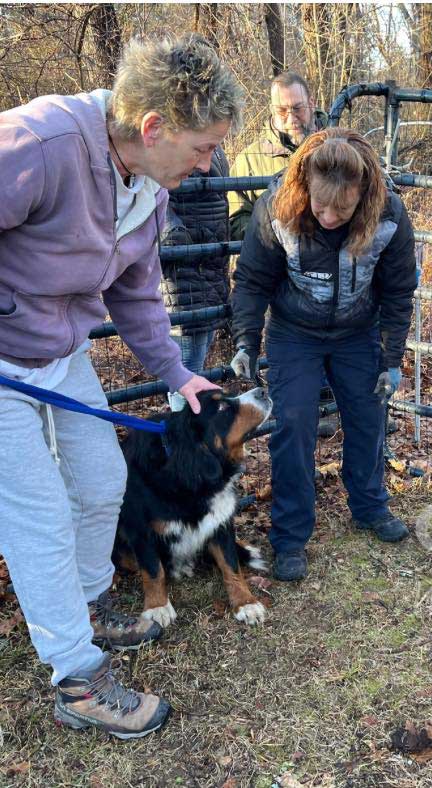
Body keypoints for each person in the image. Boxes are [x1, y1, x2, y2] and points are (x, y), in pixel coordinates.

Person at [0, 33, 242, 737]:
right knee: (37, 509)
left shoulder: (148, 189)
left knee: (103, 480)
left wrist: (177, 372)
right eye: (202, 148)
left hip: (59, 350)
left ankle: (84, 603)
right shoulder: (40, 145)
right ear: (154, 126)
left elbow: (135, 295)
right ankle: (77, 678)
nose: (210, 164)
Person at [230, 128, 417, 581]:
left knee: (369, 416)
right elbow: (253, 280)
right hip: (295, 332)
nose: (330, 217)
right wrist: (245, 341)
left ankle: (370, 505)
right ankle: (291, 535)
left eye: (343, 208)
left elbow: (397, 291)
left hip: (358, 331)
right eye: (321, 206)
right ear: (306, 188)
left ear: (363, 197)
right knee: (293, 424)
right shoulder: (277, 208)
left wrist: (392, 360)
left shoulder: (389, 214)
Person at [161, 144, 232, 412]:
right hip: (183, 271)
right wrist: (171, 233)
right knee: (185, 366)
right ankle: (182, 433)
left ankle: (188, 429)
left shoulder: (213, 145)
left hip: (209, 265)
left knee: (196, 357)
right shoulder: (176, 143)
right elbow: (151, 190)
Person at [228, 71, 327, 240]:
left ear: (311, 104)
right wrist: (274, 238)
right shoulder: (248, 159)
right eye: (282, 111)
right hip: (275, 260)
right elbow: (237, 219)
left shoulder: (339, 147)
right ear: (272, 111)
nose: (291, 119)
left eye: (298, 108)